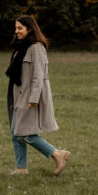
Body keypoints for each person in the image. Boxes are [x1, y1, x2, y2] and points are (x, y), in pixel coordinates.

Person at [5, 15, 70, 176]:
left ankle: (56, 153)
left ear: (30, 29)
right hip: (18, 94)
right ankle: (21, 168)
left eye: (20, 28)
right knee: (15, 132)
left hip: (31, 96)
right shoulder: (21, 46)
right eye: (16, 28)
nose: (16, 31)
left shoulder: (37, 47)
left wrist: (33, 99)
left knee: (25, 133)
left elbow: (38, 76)